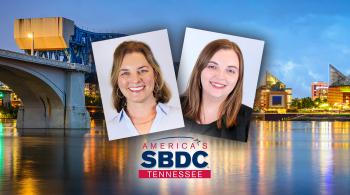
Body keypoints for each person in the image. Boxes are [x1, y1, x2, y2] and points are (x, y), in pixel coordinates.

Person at [109, 41, 183, 140]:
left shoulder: (179, 117)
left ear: (155, 75)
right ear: (116, 80)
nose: (135, 80)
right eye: (125, 73)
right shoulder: (110, 129)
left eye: (143, 70)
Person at [181, 39, 252, 142]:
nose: (220, 76)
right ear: (199, 70)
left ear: (238, 78)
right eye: (212, 66)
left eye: (230, 70)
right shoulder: (171, 109)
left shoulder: (251, 121)